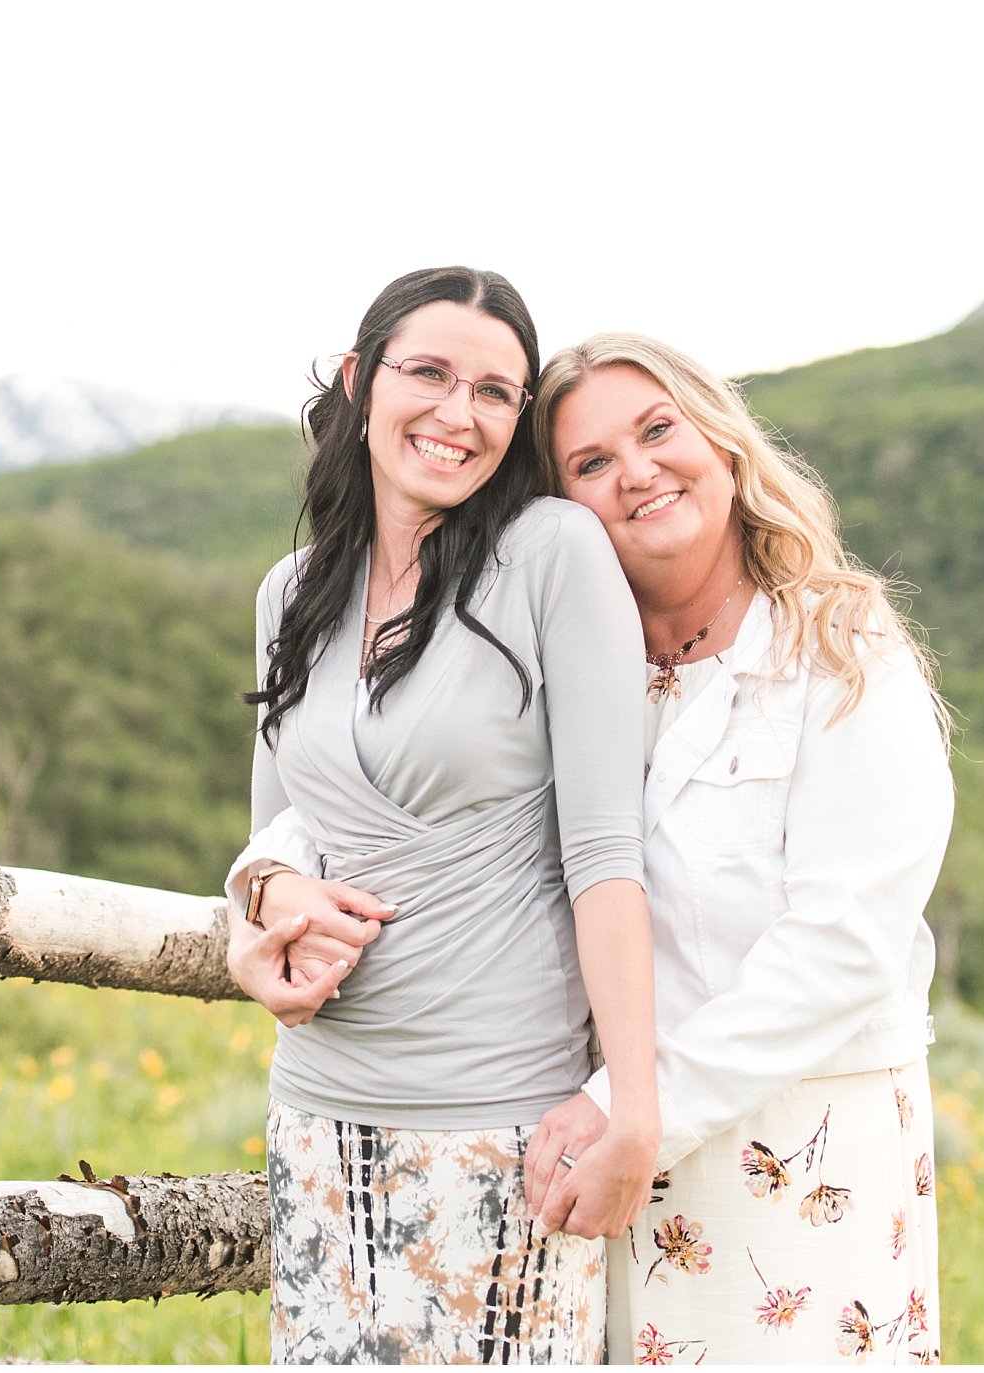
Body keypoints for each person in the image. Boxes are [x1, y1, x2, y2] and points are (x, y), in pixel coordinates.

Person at [235, 331, 954, 1364]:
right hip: (589, 1152)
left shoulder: (839, 651)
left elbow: (842, 945)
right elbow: (374, 795)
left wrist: (629, 1109)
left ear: (722, 440)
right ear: (557, 501)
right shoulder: (547, 647)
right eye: (590, 463)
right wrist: (257, 888)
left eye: (655, 431)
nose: (636, 473)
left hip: (794, 1149)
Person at [221, 267, 661, 1364]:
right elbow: (274, 837)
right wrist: (260, 915)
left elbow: (605, 850)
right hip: (317, 1110)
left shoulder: (553, 554)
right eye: (428, 373)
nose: (456, 414)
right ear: (361, 379)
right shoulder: (291, 591)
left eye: (494, 392)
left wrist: (635, 1107)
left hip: (502, 1117)